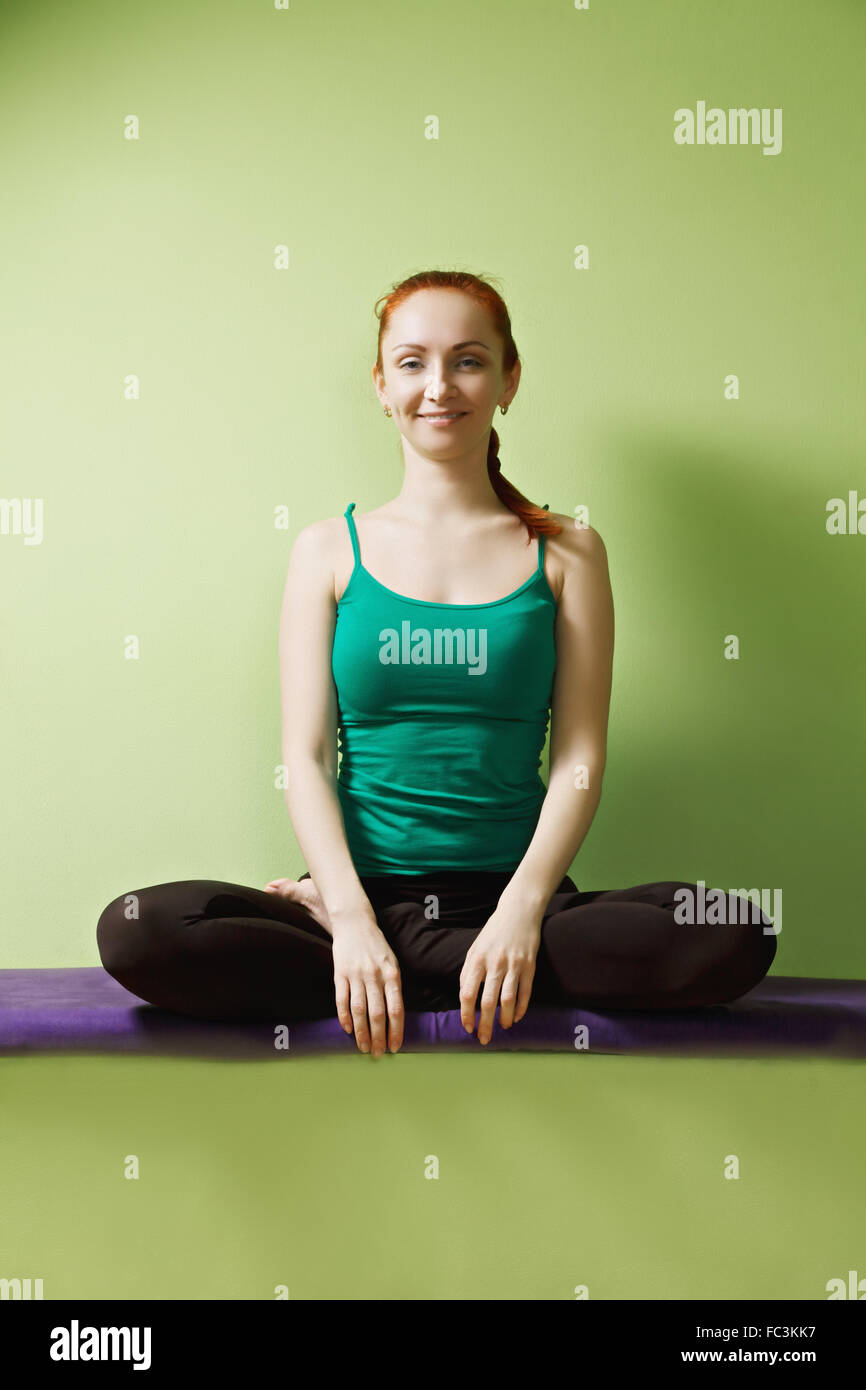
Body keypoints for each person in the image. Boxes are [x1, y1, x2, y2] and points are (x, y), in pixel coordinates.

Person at [96, 269, 777, 1058]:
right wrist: (349, 919)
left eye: (468, 360)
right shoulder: (325, 551)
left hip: (522, 903)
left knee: (736, 928)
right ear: (381, 385)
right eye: (412, 362)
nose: (439, 386)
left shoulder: (570, 553)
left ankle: (436, 966)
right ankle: (416, 964)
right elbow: (308, 758)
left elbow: (580, 758)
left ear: (508, 380)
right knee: (139, 931)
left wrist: (520, 915)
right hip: (361, 903)